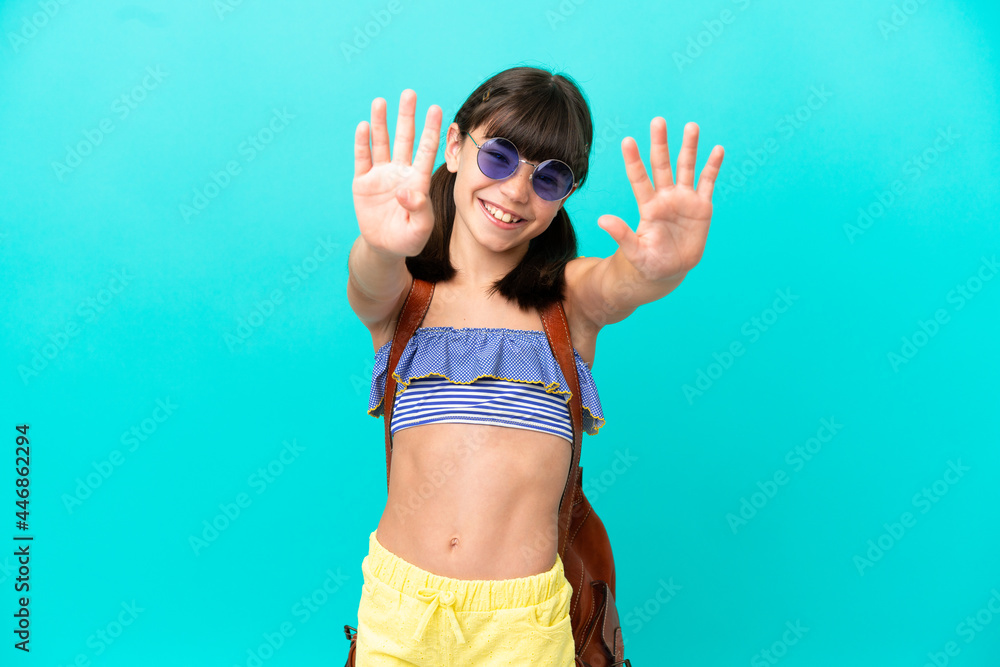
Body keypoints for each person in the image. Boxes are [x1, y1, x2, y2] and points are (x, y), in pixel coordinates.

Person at [347, 65, 723, 666]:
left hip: (520, 626)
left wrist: (659, 267)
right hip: (399, 608)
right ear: (454, 148)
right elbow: (367, 284)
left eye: (549, 176)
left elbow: (619, 282)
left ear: (565, 196)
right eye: (498, 157)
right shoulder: (404, 299)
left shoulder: (567, 302)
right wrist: (380, 243)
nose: (518, 191)